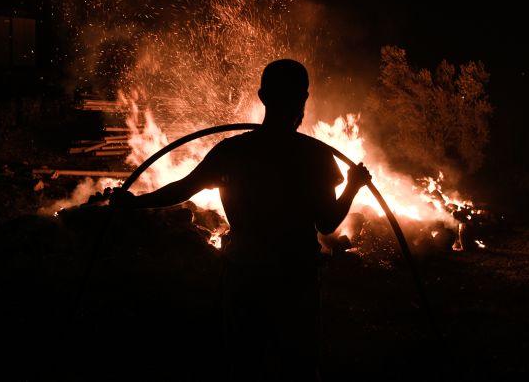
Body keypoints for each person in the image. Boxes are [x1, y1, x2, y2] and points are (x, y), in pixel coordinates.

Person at [110, 59, 371, 380]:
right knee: (299, 369)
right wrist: (352, 186)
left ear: (262, 96)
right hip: (294, 281)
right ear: (303, 98)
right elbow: (328, 223)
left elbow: (184, 187)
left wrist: (136, 202)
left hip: (245, 275)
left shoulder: (234, 150)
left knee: (244, 367)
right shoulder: (314, 155)